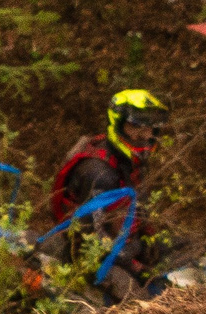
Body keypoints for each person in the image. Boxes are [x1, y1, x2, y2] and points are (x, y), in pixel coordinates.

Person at [44, 88, 168, 297]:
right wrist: (135, 265)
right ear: (118, 123)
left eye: (150, 128)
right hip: (87, 254)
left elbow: (138, 206)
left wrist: (149, 241)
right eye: (136, 126)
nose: (145, 135)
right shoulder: (100, 173)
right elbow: (93, 239)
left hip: (120, 238)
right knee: (142, 302)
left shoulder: (126, 159)